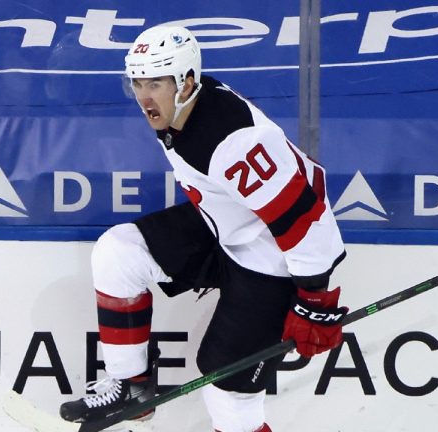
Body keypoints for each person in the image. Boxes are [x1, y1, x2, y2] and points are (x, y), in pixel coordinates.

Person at [60, 25, 348, 432]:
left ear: (187, 82)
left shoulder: (234, 141)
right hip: (226, 230)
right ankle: (132, 387)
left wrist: (316, 301)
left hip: (272, 262)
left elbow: (308, 218)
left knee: (228, 398)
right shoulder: (180, 109)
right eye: (137, 82)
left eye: (155, 82)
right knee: (119, 252)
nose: (144, 96)